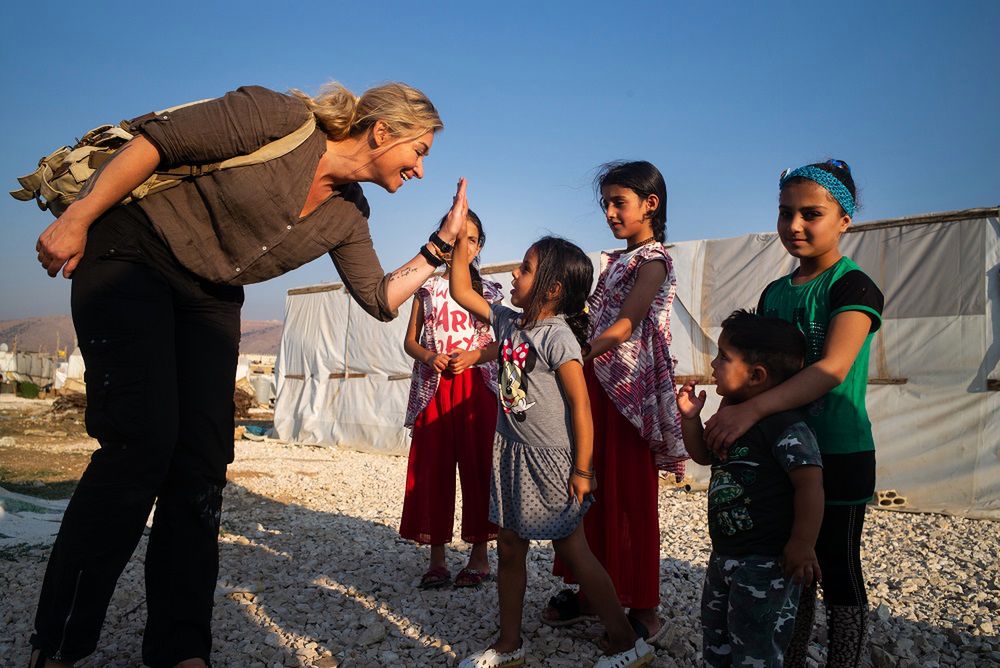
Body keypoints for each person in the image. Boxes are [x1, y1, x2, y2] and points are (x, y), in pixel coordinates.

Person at [29, 81, 470, 668]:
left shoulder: (347, 213)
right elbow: (157, 143)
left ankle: (180, 648)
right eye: (419, 152)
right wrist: (79, 216)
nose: (419, 170)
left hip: (210, 295)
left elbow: (378, 298)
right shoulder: (281, 117)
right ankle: (59, 642)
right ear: (382, 132)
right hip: (134, 254)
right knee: (140, 446)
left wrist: (440, 245)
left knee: (203, 463)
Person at [448, 212, 654, 667]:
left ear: (553, 288)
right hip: (511, 454)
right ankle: (508, 644)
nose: (513, 275)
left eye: (524, 269)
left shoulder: (558, 338)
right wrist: (460, 239)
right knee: (509, 549)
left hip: (553, 462)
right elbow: (462, 291)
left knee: (574, 551)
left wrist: (583, 470)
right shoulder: (508, 324)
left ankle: (625, 642)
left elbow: (582, 408)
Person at [703, 160, 884, 667]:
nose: (795, 226)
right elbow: (750, 369)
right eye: (786, 214)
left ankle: (844, 659)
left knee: (838, 567)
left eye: (812, 213)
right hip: (773, 454)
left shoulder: (853, 287)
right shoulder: (774, 294)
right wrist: (727, 416)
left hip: (838, 448)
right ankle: (791, 655)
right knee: (790, 564)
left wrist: (751, 411)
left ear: (844, 220)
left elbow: (832, 367)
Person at [547, 161, 686, 645]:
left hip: (631, 390)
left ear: (651, 204)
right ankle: (592, 592)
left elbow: (629, 321)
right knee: (591, 488)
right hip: (599, 385)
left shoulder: (653, 261)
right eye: (605, 203)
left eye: (618, 202)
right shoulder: (614, 262)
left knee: (631, 497)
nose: (609, 212)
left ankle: (645, 607)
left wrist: (580, 352)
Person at [676, 309, 824, 667]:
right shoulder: (731, 418)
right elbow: (702, 454)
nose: (713, 363)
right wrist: (691, 418)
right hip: (724, 556)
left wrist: (802, 545)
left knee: (756, 648)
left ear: (757, 375)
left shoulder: (784, 427)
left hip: (767, 563)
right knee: (717, 639)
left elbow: (810, 485)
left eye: (724, 357)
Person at [400, 210, 501, 589]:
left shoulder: (489, 293)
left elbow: (498, 344)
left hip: (477, 390)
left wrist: (473, 356)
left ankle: (479, 557)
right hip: (435, 390)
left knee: (479, 471)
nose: (464, 246)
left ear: (479, 247)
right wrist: (429, 356)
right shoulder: (425, 290)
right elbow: (411, 340)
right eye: (457, 238)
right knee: (433, 471)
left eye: (472, 239)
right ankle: (437, 558)